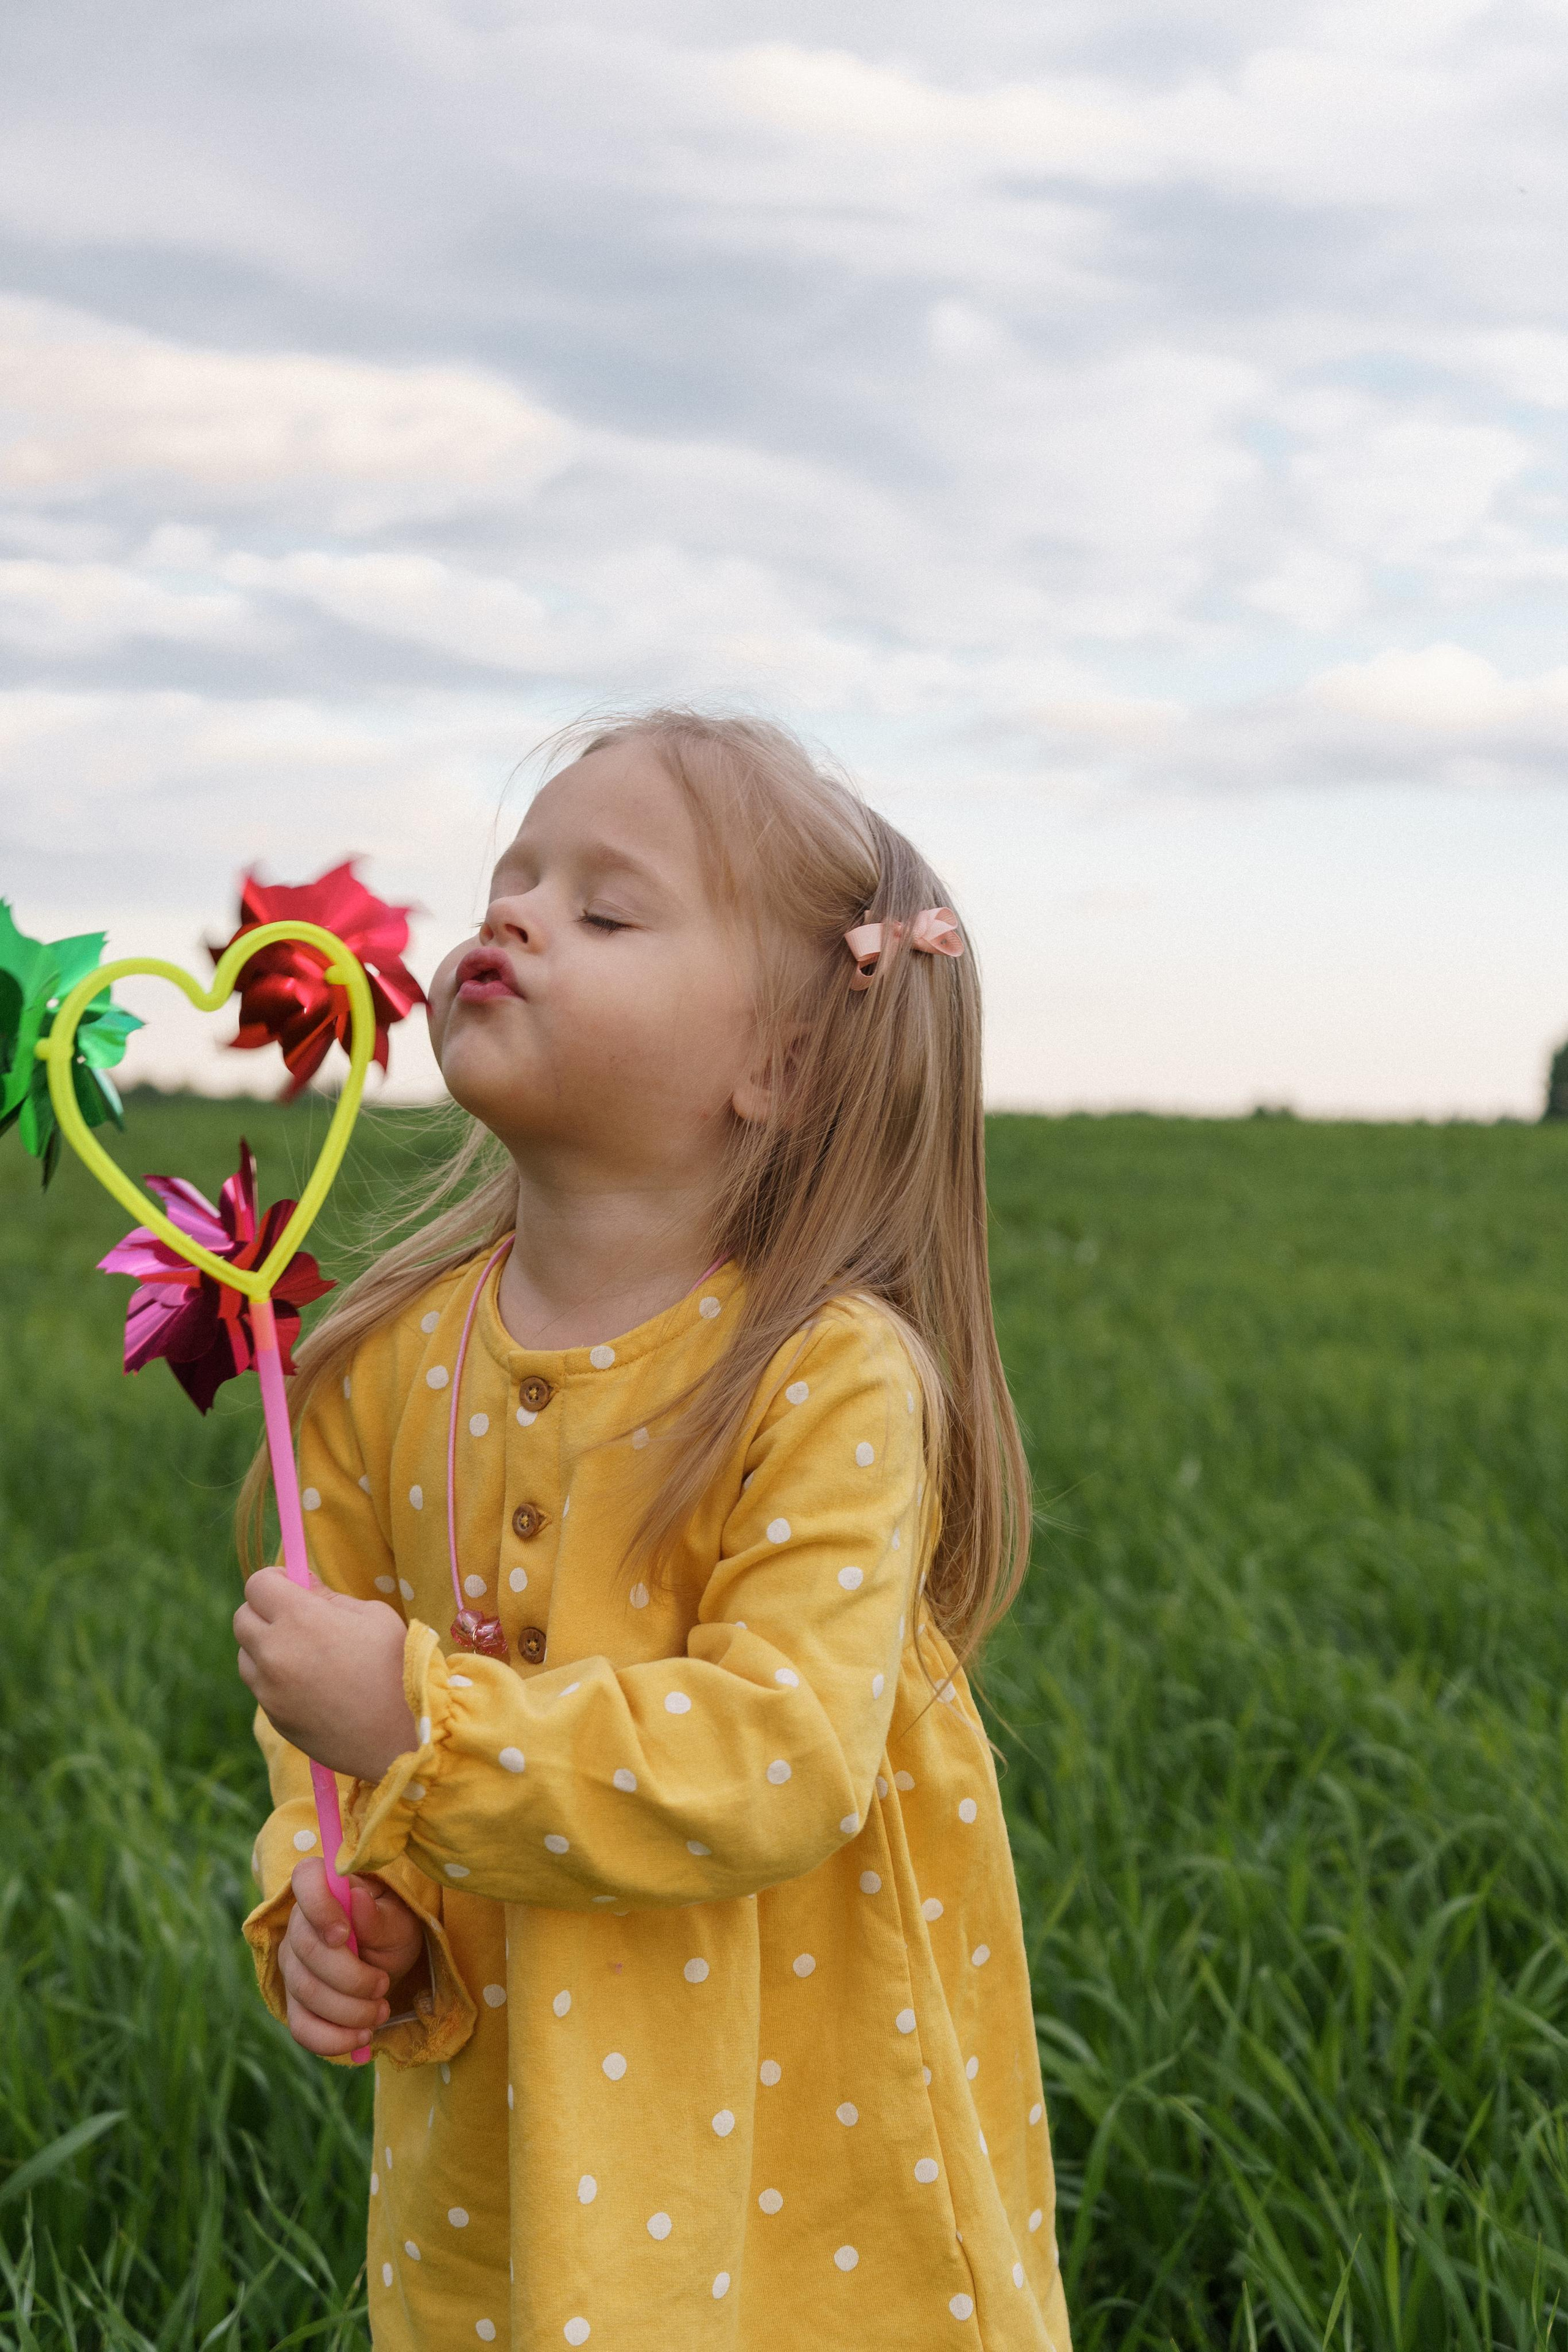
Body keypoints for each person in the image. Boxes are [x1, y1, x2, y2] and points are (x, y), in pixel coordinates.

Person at [233, 709, 1071, 2351]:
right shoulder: (377, 1365)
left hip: (797, 2119)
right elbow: (323, 1749)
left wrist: (421, 1718)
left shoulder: (823, 1379)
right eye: (513, 880)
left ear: (782, 1063)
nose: (518, 917)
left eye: (606, 911)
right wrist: (335, 1891)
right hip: (503, 2134)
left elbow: (782, 1756)